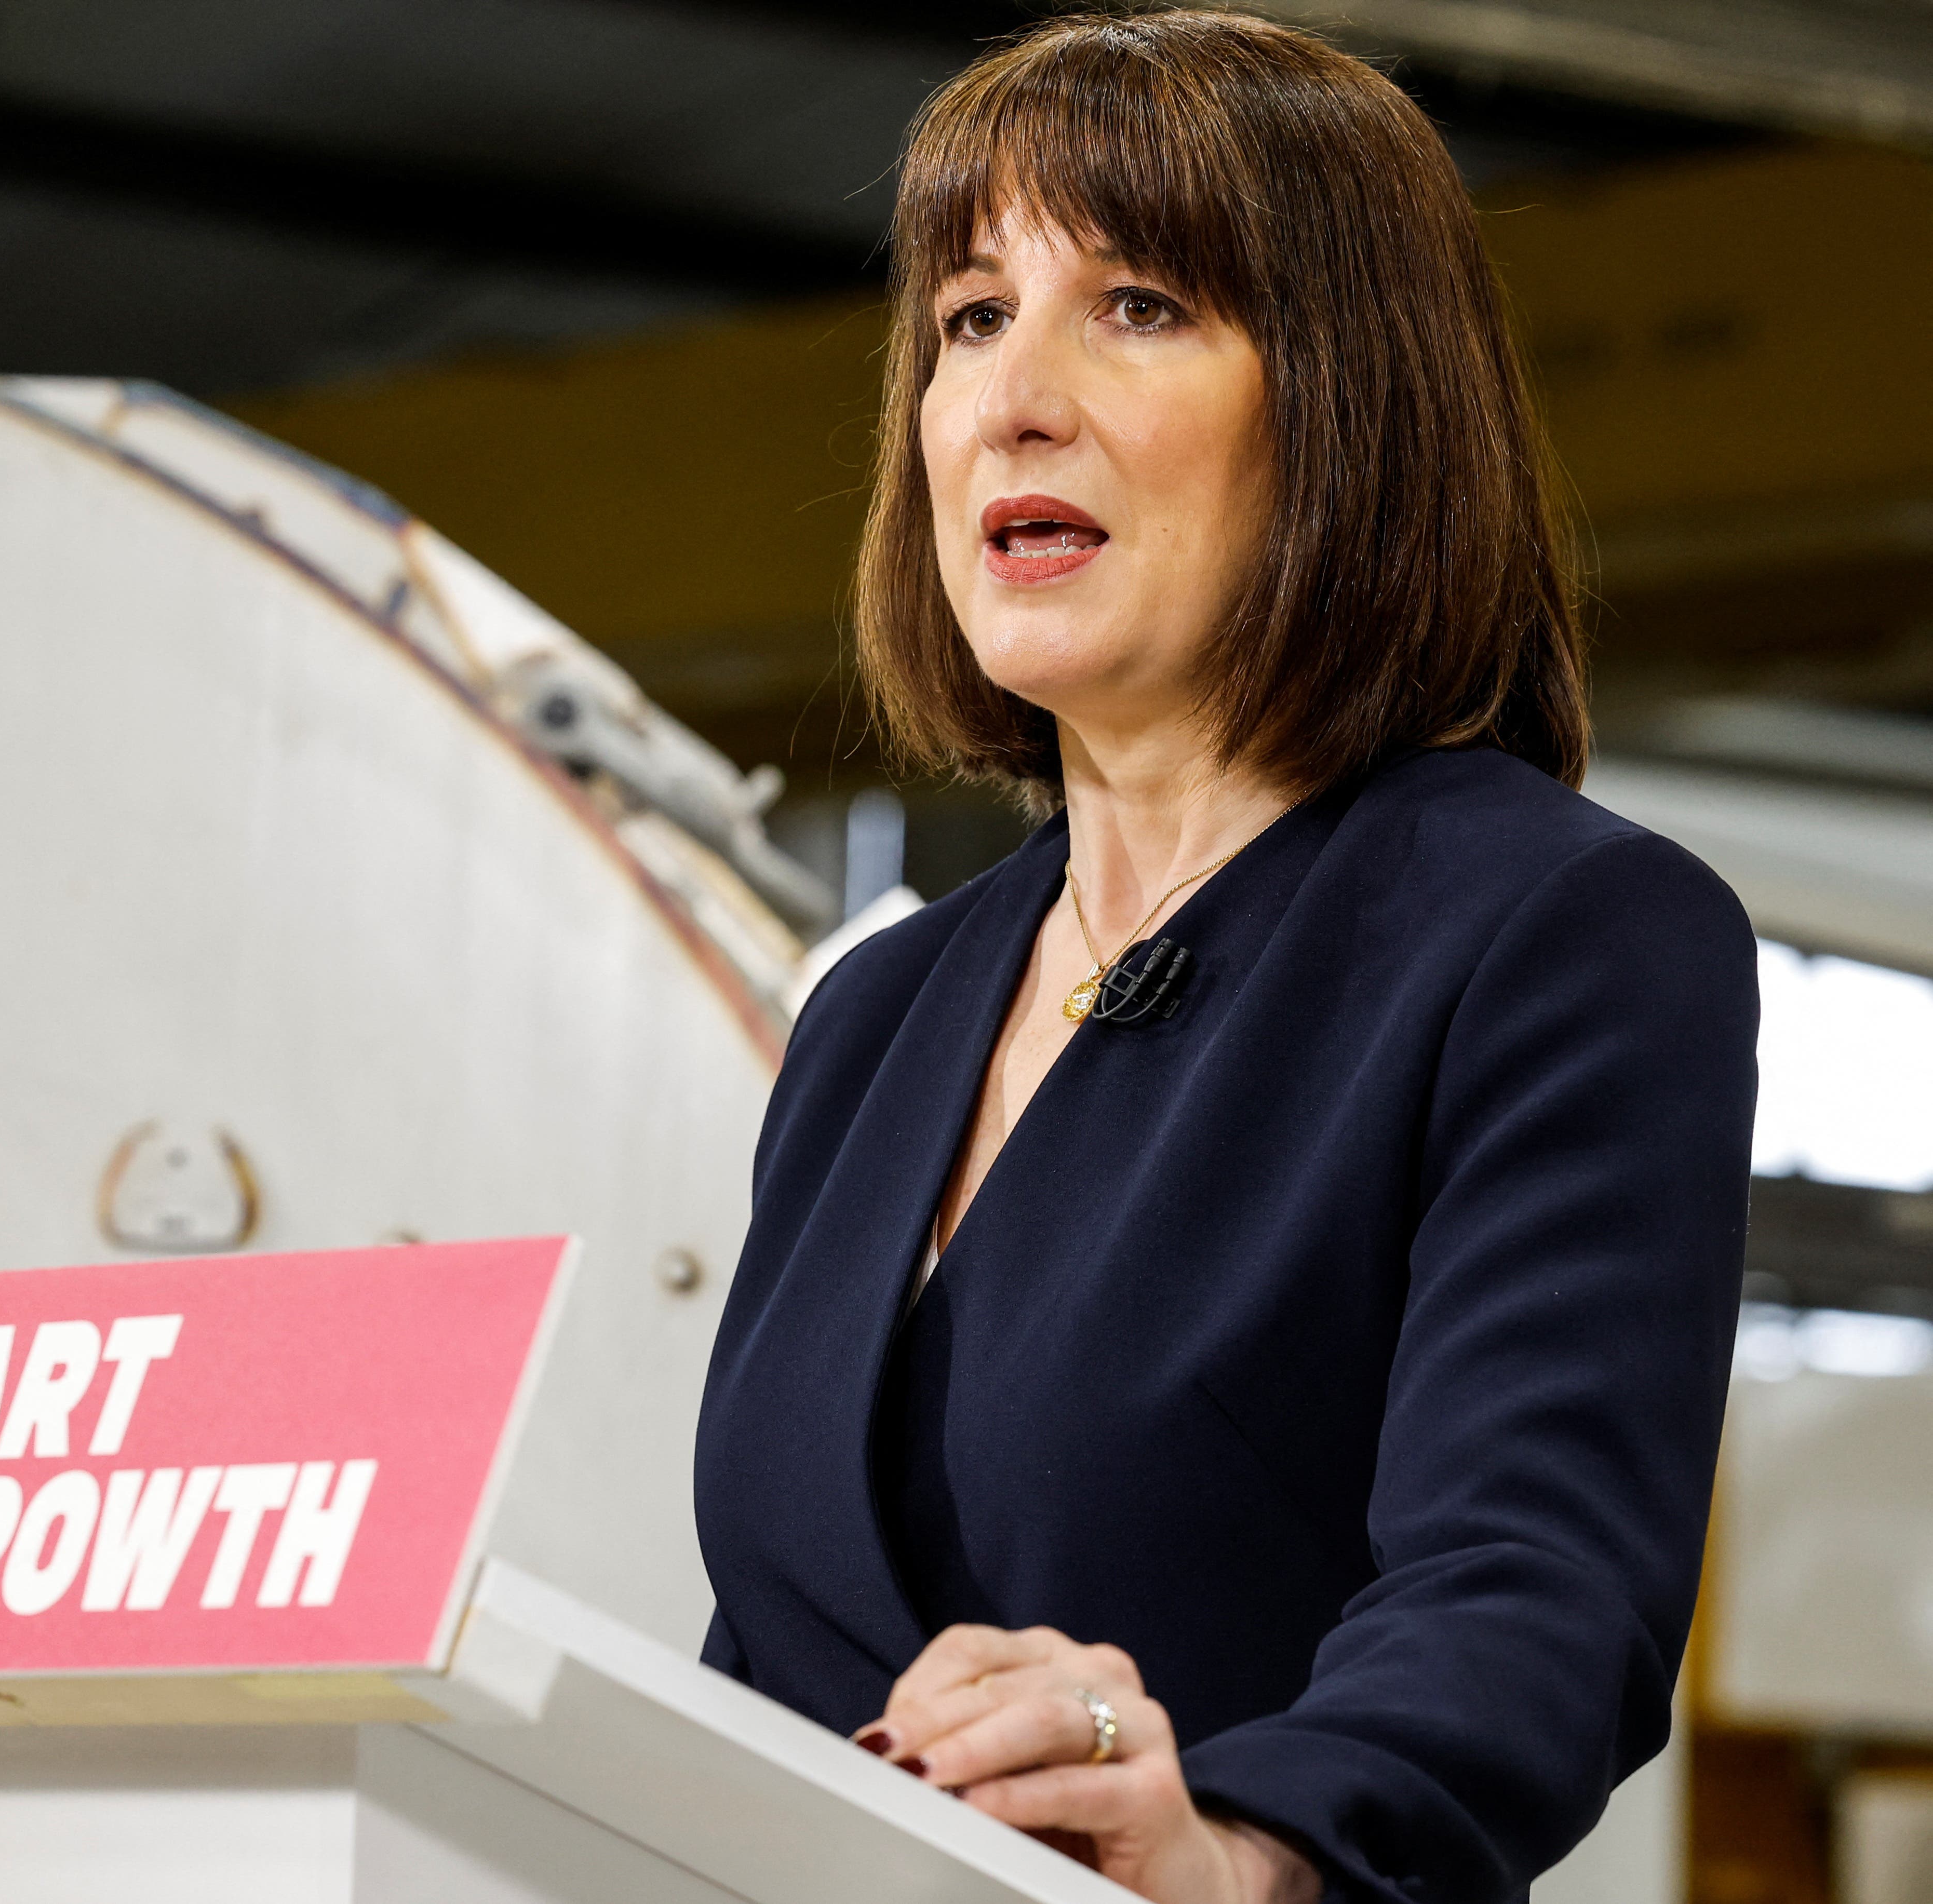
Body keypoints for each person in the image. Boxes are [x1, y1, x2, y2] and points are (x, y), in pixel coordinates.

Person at [690, 15, 1759, 1904]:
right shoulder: (873, 1016)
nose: (1010, 400)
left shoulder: (1556, 937)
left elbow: (1530, 1590)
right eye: (966, 317)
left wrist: (1236, 1848)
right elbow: (766, 1658)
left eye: (1136, 307)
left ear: (1352, 401)